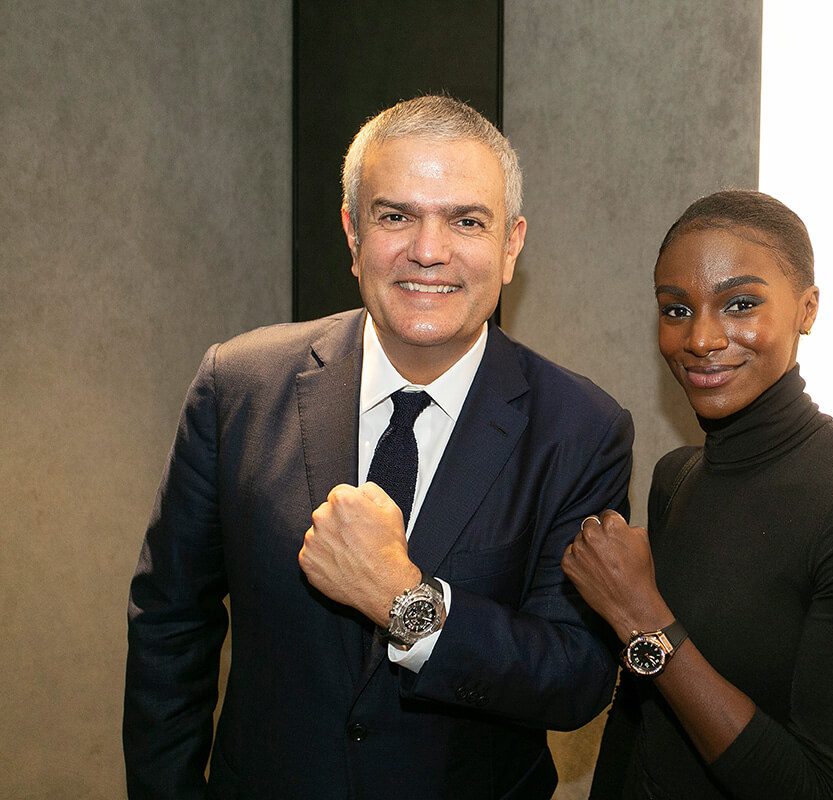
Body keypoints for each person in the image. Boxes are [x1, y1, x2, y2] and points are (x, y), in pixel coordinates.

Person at [124, 95, 634, 800]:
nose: (428, 250)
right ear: (352, 231)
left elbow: (576, 677)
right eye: (395, 216)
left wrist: (407, 603)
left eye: (466, 220)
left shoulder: (581, 429)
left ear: (511, 244)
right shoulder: (237, 384)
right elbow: (169, 628)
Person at [563, 190, 833, 800]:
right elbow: (642, 727)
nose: (702, 337)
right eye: (676, 309)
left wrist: (640, 616)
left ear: (806, 309)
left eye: (740, 303)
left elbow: (816, 791)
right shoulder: (676, 478)